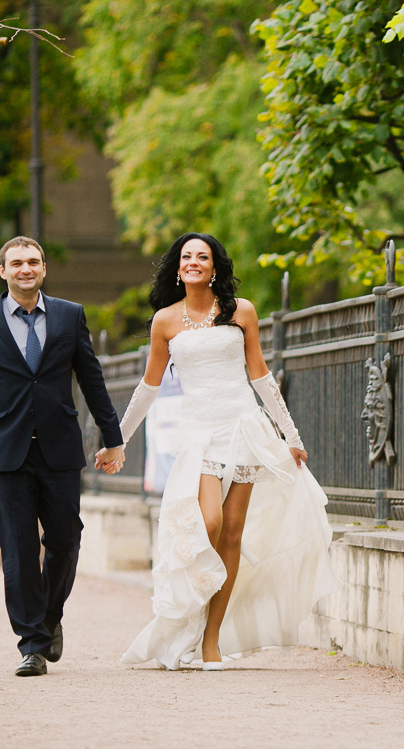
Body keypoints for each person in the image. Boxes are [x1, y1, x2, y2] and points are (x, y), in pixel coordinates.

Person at [103, 232, 338, 671]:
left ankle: (211, 641)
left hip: (244, 430)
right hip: (199, 435)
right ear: (178, 267)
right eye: (187, 256)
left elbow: (262, 378)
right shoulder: (165, 321)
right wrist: (118, 440)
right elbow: (148, 388)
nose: (194, 262)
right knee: (207, 523)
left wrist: (292, 436)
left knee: (231, 534)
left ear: (214, 267)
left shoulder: (240, 311)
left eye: (203, 256)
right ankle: (189, 624)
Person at [0, 236, 125, 677]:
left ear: (43, 269)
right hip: (8, 451)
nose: (26, 268)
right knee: (18, 550)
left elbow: (92, 380)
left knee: (66, 539)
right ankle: (32, 644)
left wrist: (113, 437)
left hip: (60, 448)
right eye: (17, 262)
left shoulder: (69, 315)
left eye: (34, 261)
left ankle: (49, 616)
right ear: (2, 271)